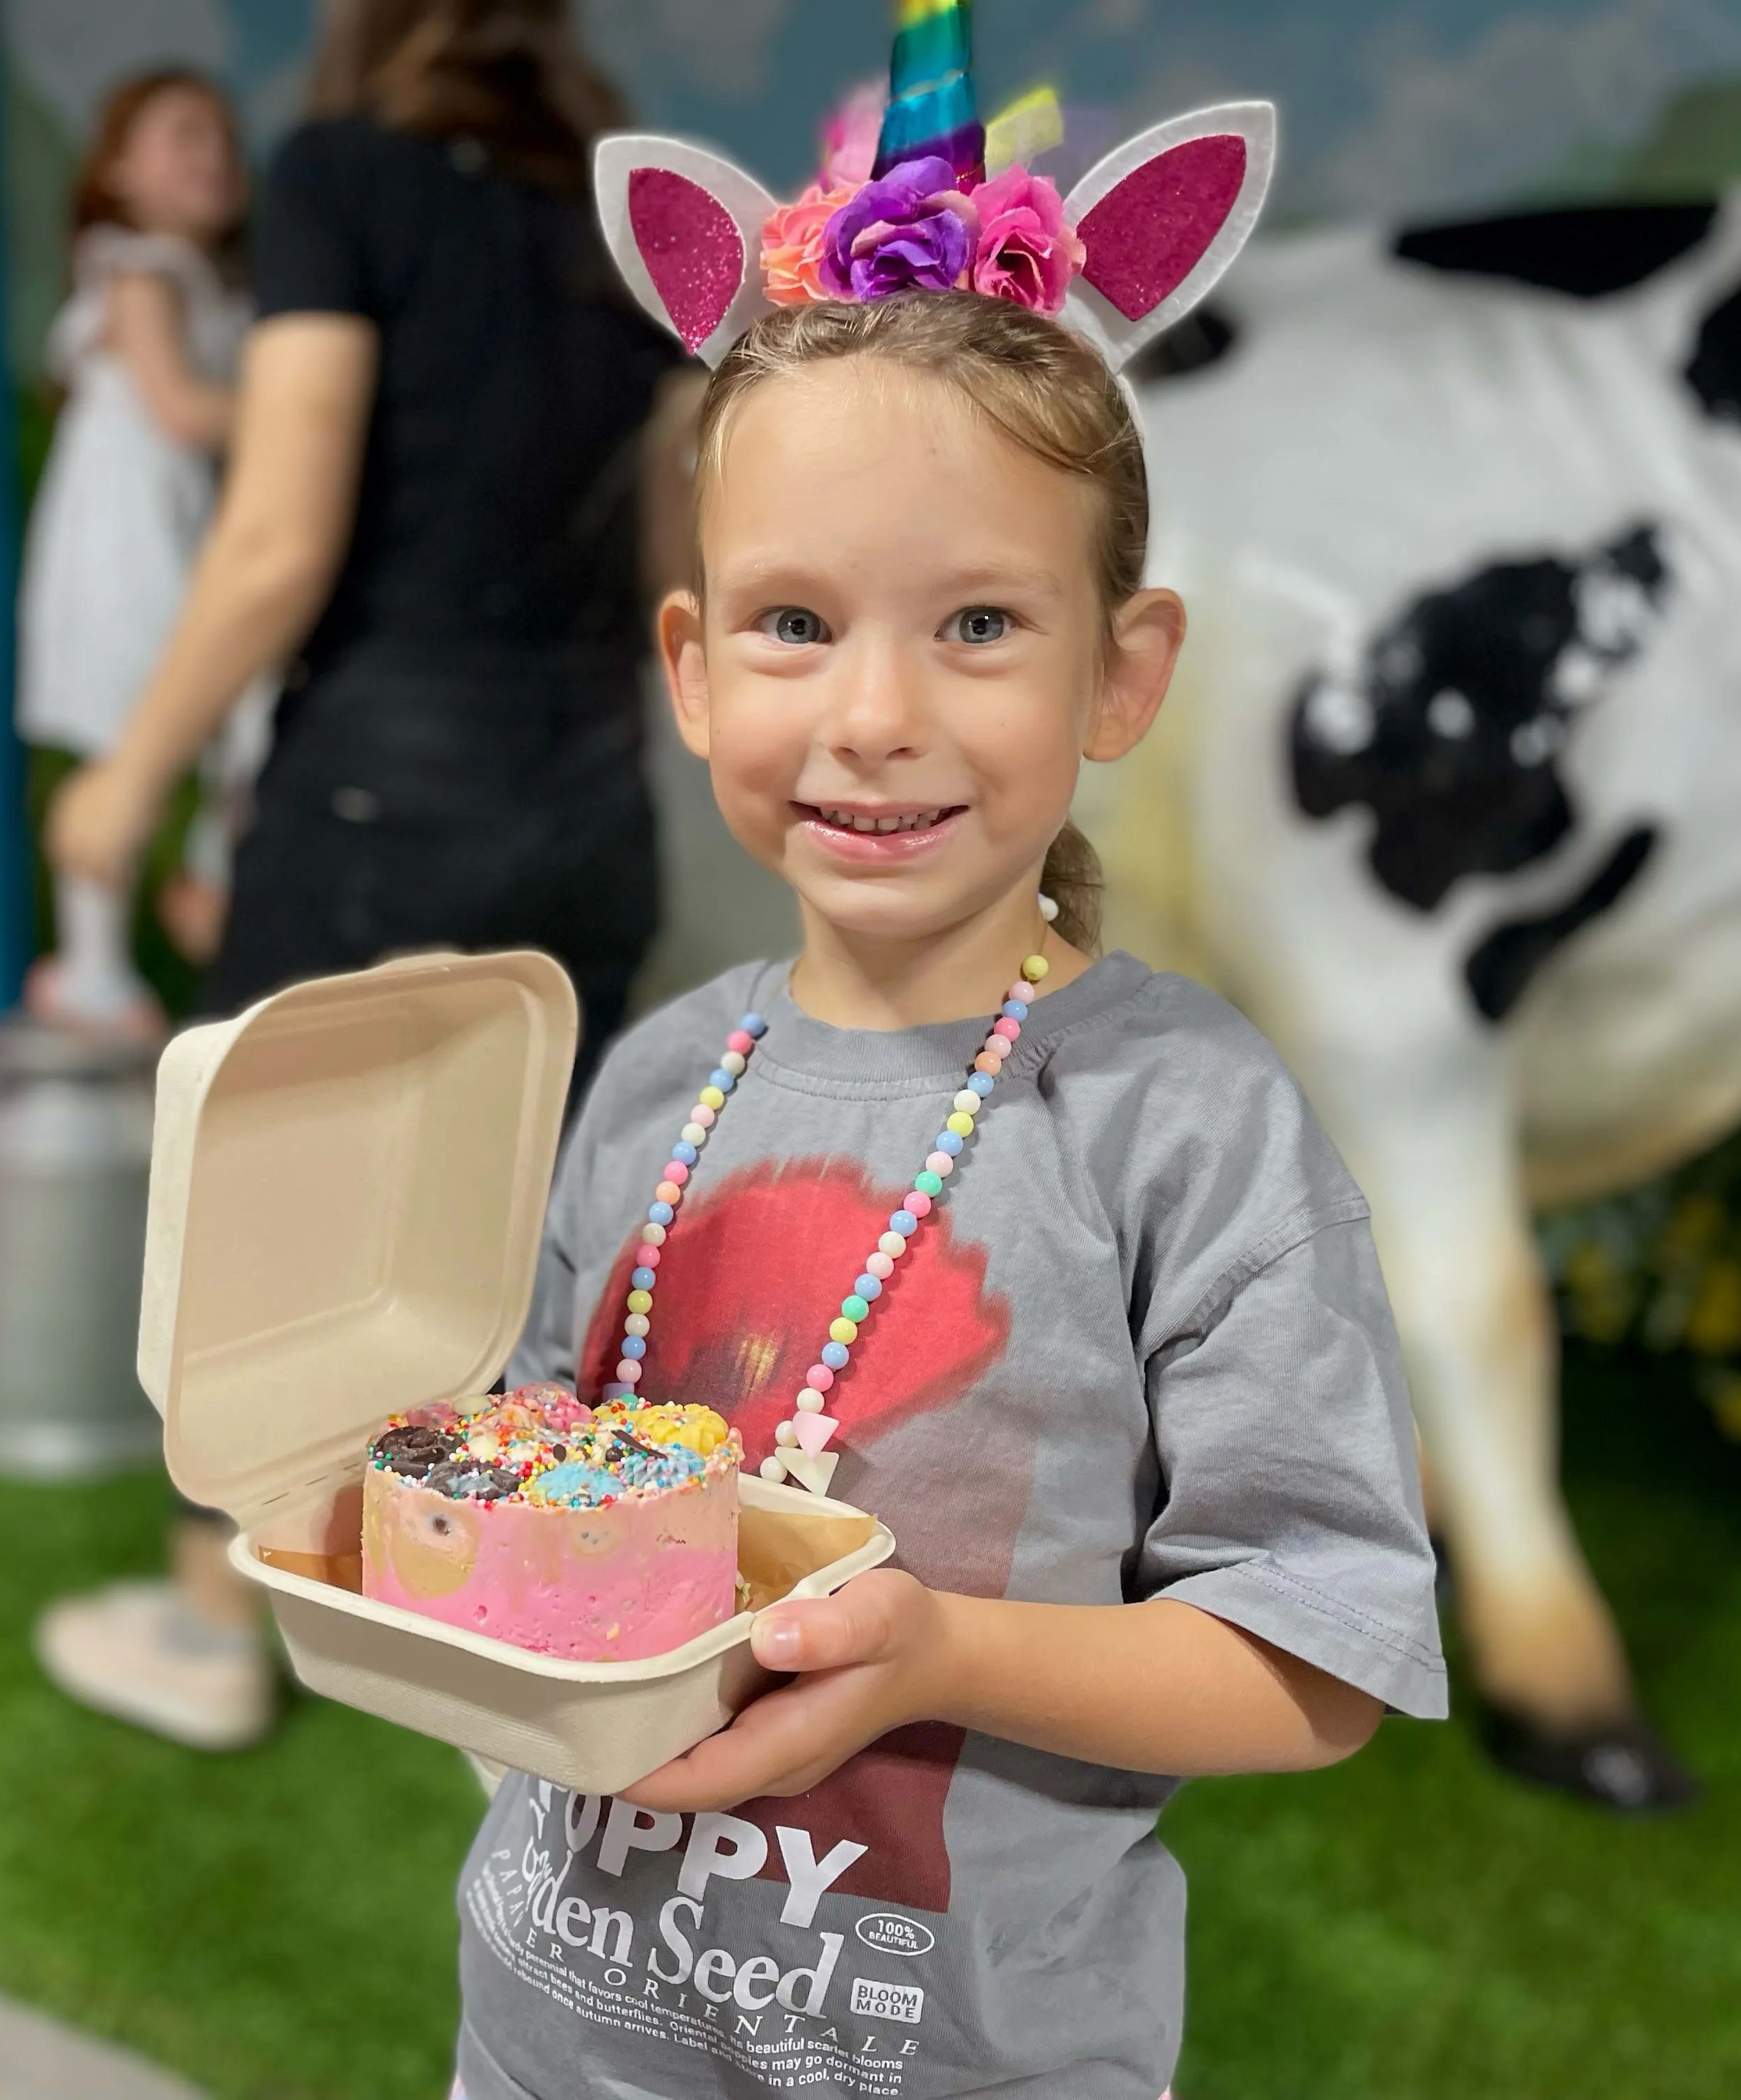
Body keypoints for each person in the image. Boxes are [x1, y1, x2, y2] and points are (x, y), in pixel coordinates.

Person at [446, 36, 1447, 2098]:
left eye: (980, 625)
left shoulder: (1187, 1129)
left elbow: (1317, 1659)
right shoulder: (651, 1080)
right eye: (794, 624)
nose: (875, 714)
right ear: (693, 666)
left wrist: (944, 1653)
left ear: (1119, 673)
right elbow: (530, 1482)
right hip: (549, 2044)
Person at [35, 0, 685, 1751]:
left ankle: (209, 1632)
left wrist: (130, 775)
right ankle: (509, 1624)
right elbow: (669, 550)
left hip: (383, 793)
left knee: (262, 1231)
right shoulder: (615, 226)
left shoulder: (343, 179)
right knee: (528, 1235)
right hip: (592, 796)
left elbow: (277, 535)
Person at [15, 68, 267, 1038]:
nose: (213, 155)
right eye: (183, 134)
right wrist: (308, 419)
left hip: (186, 530)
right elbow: (177, 405)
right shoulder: (138, 269)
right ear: (116, 171)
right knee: (129, 726)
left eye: (222, 137)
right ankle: (94, 963)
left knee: (240, 701)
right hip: (128, 544)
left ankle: (207, 876)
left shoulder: (221, 290)